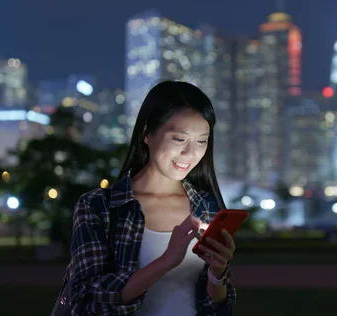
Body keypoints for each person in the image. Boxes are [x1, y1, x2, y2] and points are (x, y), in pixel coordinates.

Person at [65, 80, 237, 315]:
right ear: (147, 133)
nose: (190, 153)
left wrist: (218, 274)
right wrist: (167, 260)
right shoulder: (100, 206)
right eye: (179, 139)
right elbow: (89, 301)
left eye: (201, 141)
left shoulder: (207, 206)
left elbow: (218, 305)